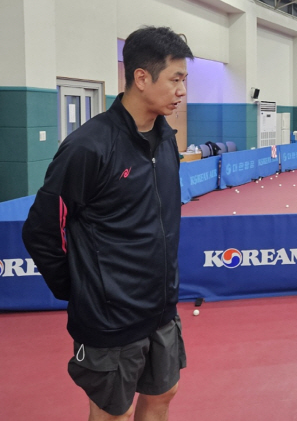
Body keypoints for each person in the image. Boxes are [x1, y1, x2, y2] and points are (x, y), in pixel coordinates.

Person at [22, 26, 193, 421]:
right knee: (111, 412)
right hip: (109, 317)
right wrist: (80, 289)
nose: (182, 90)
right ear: (141, 77)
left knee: (164, 393)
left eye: (184, 79)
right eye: (176, 79)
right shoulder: (89, 146)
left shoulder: (167, 139)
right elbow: (40, 230)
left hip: (161, 307)